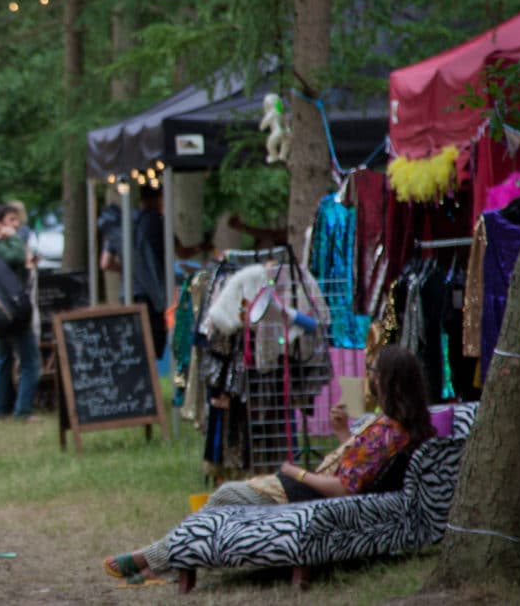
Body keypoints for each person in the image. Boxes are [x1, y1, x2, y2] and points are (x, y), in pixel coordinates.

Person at [102, 345, 437, 583]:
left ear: (388, 380)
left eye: (373, 372)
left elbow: (343, 487)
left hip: (309, 495)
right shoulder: (402, 427)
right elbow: (359, 469)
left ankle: (153, 559)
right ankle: (161, 562)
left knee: (224, 496)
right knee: (220, 503)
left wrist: (296, 472)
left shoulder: (386, 431)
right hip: (312, 491)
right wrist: (342, 434)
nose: (369, 378)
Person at [99, 186, 170, 358]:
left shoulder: (122, 224)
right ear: (158, 199)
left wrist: (129, 268)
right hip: (152, 294)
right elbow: (179, 250)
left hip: (127, 293)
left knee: (134, 343)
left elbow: (105, 263)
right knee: (152, 344)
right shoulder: (157, 223)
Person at [0, 203, 40, 420]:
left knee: (4, 361)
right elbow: (17, 258)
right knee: (30, 362)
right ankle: (23, 411)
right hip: (11, 311)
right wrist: (17, 240)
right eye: (11, 221)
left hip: (0, 310)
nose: (17, 225)